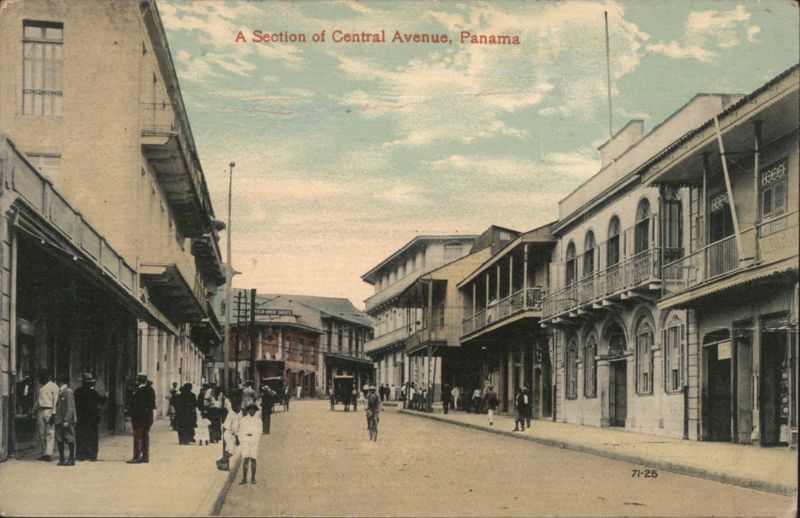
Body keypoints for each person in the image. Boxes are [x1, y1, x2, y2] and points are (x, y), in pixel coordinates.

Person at [74, 372, 104, 461]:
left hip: (81, 418)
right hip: (92, 419)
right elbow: (101, 401)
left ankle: (81, 455)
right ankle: (92, 455)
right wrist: (105, 395)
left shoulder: (77, 391)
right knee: (92, 436)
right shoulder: (93, 392)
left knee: (81, 436)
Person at [128, 373, 156, 463]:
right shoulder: (150, 390)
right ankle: (145, 457)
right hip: (148, 418)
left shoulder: (139, 391)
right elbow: (152, 405)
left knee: (138, 437)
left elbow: (135, 404)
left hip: (139, 418)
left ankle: (136, 457)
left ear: (138, 381)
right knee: (145, 436)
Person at [35, 370, 59, 462]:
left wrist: (54, 413)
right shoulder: (41, 388)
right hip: (41, 411)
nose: (39, 380)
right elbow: (38, 401)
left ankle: (49, 454)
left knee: (50, 433)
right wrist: (34, 410)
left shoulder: (54, 386)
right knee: (41, 434)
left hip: (49, 410)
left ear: (46, 377)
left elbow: (56, 401)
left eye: (40, 377)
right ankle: (44, 453)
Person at [54, 374, 77, 466]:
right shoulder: (60, 391)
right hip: (59, 419)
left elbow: (70, 407)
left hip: (65, 420)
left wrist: (67, 420)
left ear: (61, 381)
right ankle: (62, 459)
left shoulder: (68, 391)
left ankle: (71, 459)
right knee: (60, 439)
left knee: (69, 438)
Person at [238, 403, 261, 484]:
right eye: (250, 410)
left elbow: (259, 431)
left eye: (254, 410)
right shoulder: (243, 420)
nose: (252, 411)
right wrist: (243, 440)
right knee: (246, 459)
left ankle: (253, 478)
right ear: (248, 411)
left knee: (253, 459)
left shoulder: (258, 420)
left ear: (255, 411)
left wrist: (255, 438)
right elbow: (241, 430)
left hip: (254, 440)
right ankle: (244, 478)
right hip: (245, 440)